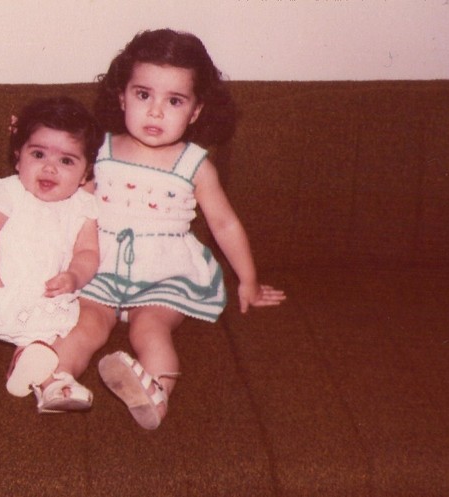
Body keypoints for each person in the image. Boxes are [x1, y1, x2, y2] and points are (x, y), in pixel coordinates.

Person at [44, 28, 286, 429]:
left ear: (195, 111)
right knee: (85, 326)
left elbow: (224, 223)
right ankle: (55, 382)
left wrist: (249, 281)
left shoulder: (194, 165)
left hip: (165, 273)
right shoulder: (98, 151)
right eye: (144, 95)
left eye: (174, 101)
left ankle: (155, 394)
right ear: (122, 97)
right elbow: (64, 201)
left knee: (150, 329)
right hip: (98, 267)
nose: (156, 112)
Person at [0, 96, 103, 409]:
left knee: (49, 339)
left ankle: (32, 365)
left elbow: (88, 252)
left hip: (42, 294)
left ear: (85, 174)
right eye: (38, 154)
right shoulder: (10, 191)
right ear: (18, 158)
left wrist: (75, 276)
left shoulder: (83, 208)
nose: (50, 167)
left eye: (66, 161)